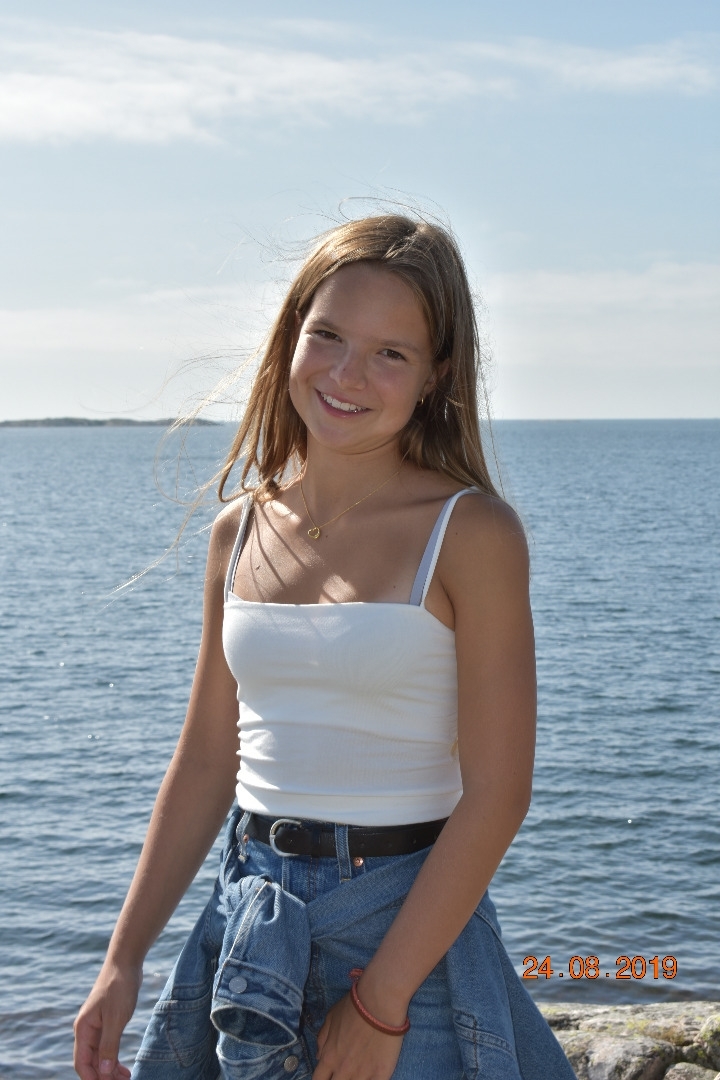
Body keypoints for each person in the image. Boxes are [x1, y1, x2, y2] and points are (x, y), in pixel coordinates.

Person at [74, 214, 575, 1080]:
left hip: (400, 922)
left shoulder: (470, 532)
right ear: (290, 336)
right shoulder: (239, 530)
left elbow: (499, 793)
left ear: (436, 374)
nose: (347, 375)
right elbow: (206, 761)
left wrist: (382, 1000)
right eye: (329, 336)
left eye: (391, 353)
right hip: (248, 912)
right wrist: (123, 961)